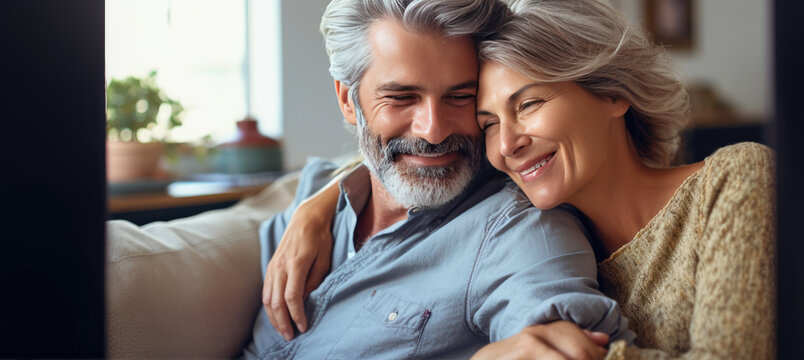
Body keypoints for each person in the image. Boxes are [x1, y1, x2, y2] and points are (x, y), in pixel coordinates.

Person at [269, 0, 777, 359]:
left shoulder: (735, 177)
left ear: (615, 94)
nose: (507, 144)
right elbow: (411, 157)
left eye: (529, 104)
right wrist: (323, 200)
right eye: (487, 121)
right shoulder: (531, 204)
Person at [243, 0, 635, 359]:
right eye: (401, 98)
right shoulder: (318, 188)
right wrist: (315, 207)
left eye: (460, 97)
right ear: (348, 100)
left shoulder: (516, 230)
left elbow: (567, 332)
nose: (433, 130)